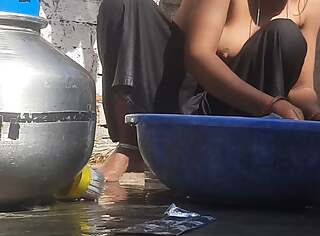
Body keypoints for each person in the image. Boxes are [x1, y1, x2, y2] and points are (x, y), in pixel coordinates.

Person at [96, 0, 320, 181]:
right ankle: (131, 148)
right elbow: (197, 57)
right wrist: (269, 104)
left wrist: (314, 113)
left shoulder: (309, 5)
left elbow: (302, 88)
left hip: (230, 109)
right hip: (174, 90)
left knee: (286, 34)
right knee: (123, 3)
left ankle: (251, 153)